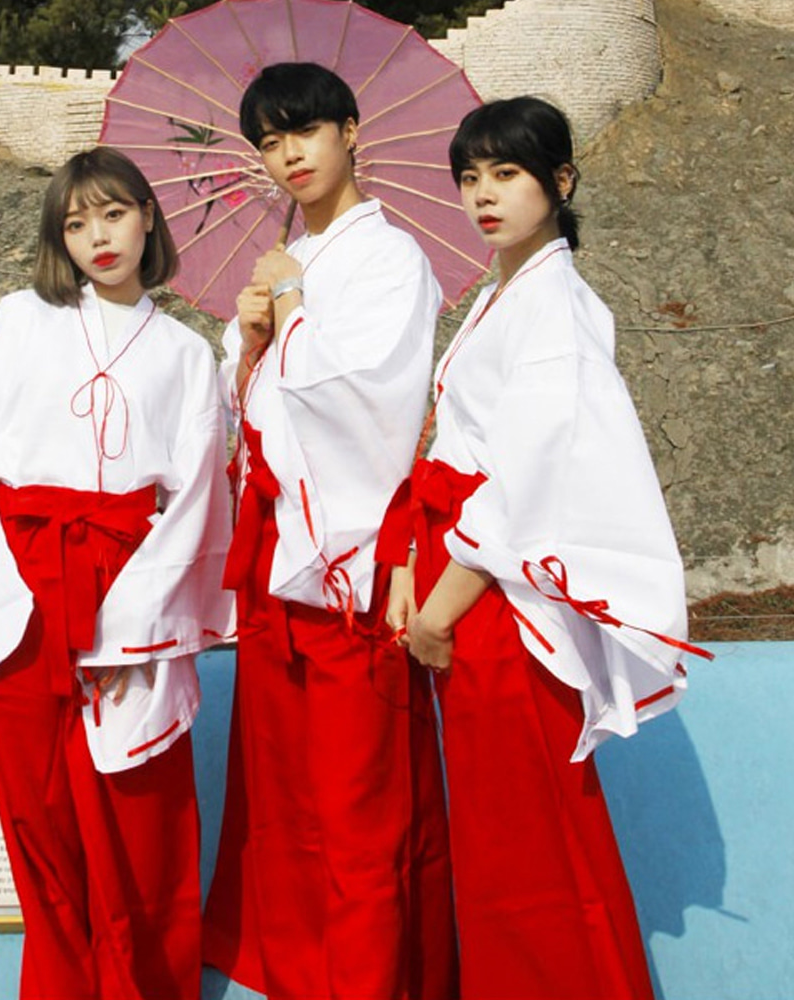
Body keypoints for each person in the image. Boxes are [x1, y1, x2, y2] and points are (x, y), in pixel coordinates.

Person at [392, 96, 711, 1000]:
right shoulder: (505, 295)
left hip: (496, 596)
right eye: (470, 177)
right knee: (497, 830)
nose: (483, 195)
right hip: (462, 570)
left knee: (529, 830)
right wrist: (415, 568)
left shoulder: (557, 308)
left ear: (560, 180)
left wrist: (439, 610)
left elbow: (524, 481)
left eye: (508, 173)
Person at [0, 147, 232, 1000]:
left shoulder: (187, 354)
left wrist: (136, 627)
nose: (99, 237)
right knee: (40, 820)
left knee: (138, 821)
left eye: (114, 213)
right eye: (77, 222)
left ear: (149, 216)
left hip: (130, 590)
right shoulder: (21, 318)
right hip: (19, 588)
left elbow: (199, 500)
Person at [202, 62, 458, 1000]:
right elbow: (254, 417)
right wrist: (250, 344)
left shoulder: (391, 259)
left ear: (351, 130)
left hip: (346, 562)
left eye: (305, 131)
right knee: (284, 795)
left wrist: (294, 305)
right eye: (269, 142)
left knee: (361, 802)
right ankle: (301, 975)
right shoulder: (292, 261)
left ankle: (371, 980)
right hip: (276, 558)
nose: (289, 156)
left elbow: (369, 403)